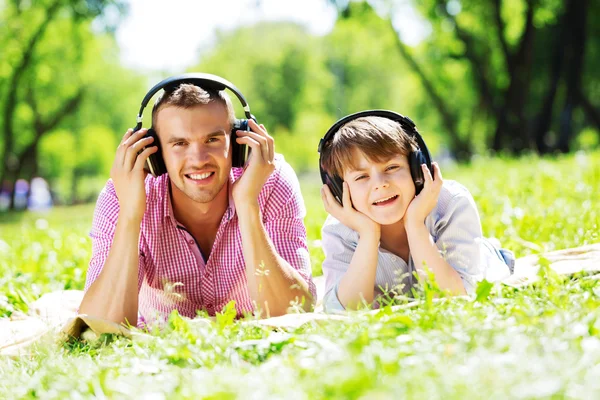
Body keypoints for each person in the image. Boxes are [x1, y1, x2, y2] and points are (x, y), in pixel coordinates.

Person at [79, 75, 316, 327]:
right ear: (154, 154)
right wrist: (130, 215)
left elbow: (296, 311)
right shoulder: (123, 193)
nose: (198, 159)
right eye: (179, 143)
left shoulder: (269, 179)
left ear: (238, 143)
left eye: (212, 140)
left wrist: (247, 205)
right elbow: (97, 326)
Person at [318, 111, 514, 312]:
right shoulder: (339, 229)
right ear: (338, 189)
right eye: (361, 177)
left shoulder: (451, 203)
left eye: (392, 167)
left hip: (483, 264)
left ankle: (497, 252)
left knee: (489, 259)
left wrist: (415, 225)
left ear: (417, 169)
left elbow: (453, 300)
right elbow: (347, 310)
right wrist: (368, 235)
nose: (380, 184)